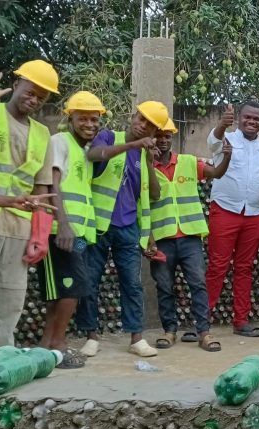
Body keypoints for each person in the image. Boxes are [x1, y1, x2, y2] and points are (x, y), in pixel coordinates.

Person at [77, 100, 167, 358]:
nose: (143, 126)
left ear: (155, 132)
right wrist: (132, 146)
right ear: (133, 116)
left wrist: (148, 162)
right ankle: (91, 336)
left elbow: (154, 194)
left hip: (128, 227)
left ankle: (136, 338)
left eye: (150, 125)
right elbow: (94, 155)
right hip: (97, 225)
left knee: (132, 284)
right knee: (89, 280)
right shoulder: (108, 136)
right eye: (141, 118)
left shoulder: (144, 154)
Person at [0, 61, 58, 347]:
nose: (34, 99)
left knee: (11, 296)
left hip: (19, 225)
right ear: (16, 85)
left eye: (42, 97)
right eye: (30, 91)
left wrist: (40, 235)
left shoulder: (42, 133)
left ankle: (1, 357)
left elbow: (42, 187)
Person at [148, 119, 231, 352]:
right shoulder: (145, 167)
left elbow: (216, 173)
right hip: (162, 238)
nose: (163, 141)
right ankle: (169, 331)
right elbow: (144, 202)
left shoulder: (188, 162)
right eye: (158, 136)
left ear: (172, 138)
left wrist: (227, 157)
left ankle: (204, 332)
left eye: (167, 136)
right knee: (164, 286)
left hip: (190, 237)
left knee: (198, 284)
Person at [37, 91, 106, 368]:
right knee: (69, 289)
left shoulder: (84, 151)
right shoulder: (60, 141)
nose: (89, 124)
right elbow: (51, 183)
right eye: (83, 118)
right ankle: (58, 344)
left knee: (69, 289)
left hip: (79, 234)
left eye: (94, 119)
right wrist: (63, 224)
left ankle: (48, 344)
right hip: (61, 231)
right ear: (71, 119)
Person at [205, 102, 259, 338]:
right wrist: (221, 124)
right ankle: (202, 320)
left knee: (245, 268)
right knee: (217, 266)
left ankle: (241, 321)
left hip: (255, 215)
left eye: (257, 119)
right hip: (225, 210)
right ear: (239, 118)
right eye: (248, 117)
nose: (252, 122)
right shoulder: (227, 139)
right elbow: (212, 142)